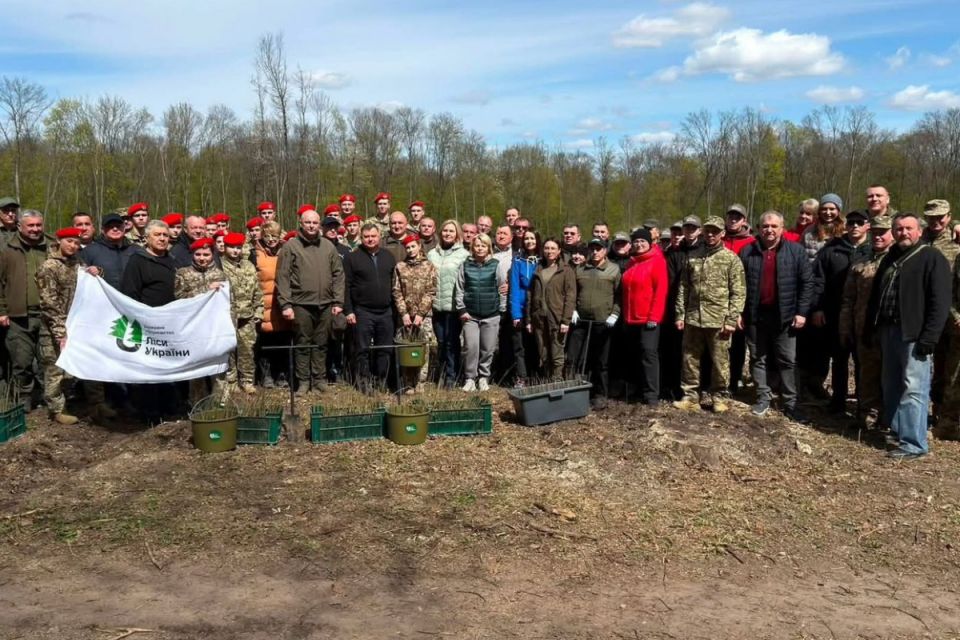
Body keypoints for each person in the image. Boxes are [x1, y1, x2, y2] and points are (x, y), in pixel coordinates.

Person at [867, 212, 950, 460]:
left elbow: (940, 301)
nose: (903, 233)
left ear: (919, 231)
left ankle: (915, 443)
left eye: (908, 228)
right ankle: (898, 431)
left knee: (914, 388)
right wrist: (870, 329)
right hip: (888, 329)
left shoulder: (932, 257)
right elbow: (875, 297)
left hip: (914, 333)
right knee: (890, 384)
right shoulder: (891, 257)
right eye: (899, 228)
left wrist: (930, 337)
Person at [741, 211, 814, 421]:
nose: (769, 230)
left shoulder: (796, 251)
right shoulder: (748, 252)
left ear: (782, 228)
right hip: (756, 315)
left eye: (774, 226)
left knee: (787, 360)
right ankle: (763, 397)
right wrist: (738, 312)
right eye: (765, 226)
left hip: (786, 316)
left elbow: (807, 283)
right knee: (758, 358)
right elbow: (738, 285)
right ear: (758, 228)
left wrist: (801, 312)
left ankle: (790, 402)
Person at [673, 217, 746, 413]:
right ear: (703, 233)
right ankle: (690, 397)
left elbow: (738, 292)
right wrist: (680, 314)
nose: (711, 234)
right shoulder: (693, 257)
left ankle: (719, 397)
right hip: (693, 318)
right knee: (690, 359)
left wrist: (731, 319)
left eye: (715, 231)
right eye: (708, 231)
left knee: (720, 361)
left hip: (719, 320)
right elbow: (684, 288)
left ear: (723, 233)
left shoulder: (731, 259)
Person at [275, 209, 345, 394]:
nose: (312, 226)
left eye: (315, 223)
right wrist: (286, 304)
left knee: (321, 344)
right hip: (301, 304)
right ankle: (303, 381)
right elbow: (282, 277)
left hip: (326, 304)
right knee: (303, 343)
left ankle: (319, 379)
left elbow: (338, 274)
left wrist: (338, 302)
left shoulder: (328, 247)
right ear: (301, 223)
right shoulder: (291, 246)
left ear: (319, 224)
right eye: (308, 223)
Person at [809, 209, 871, 412]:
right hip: (836, 313)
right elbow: (818, 279)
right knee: (839, 358)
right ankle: (838, 401)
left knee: (863, 361)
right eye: (851, 222)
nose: (854, 226)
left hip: (864, 315)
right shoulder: (832, 248)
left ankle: (864, 404)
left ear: (867, 226)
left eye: (859, 222)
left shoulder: (873, 250)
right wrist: (817, 308)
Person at [36, 228, 97, 424]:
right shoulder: (49, 267)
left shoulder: (77, 263)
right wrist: (60, 332)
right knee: (55, 368)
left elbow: (89, 282)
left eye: (76, 243)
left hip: (77, 325)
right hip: (54, 327)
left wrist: (97, 272)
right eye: (69, 241)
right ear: (59, 240)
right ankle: (56, 409)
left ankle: (90, 403)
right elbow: (49, 303)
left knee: (78, 366)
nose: (73, 246)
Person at [121, 220, 179, 424]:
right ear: (147, 237)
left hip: (170, 324)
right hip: (147, 324)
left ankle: (169, 407)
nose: (162, 238)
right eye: (157, 235)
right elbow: (129, 293)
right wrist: (142, 319)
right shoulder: (137, 261)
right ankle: (150, 412)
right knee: (150, 368)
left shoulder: (172, 261)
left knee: (168, 365)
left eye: (165, 235)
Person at [839, 215, 893, 428]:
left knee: (891, 375)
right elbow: (848, 298)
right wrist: (845, 326)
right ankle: (867, 416)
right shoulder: (860, 262)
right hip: (864, 329)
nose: (878, 236)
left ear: (892, 233)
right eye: (875, 232)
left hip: (891, 330)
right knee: (867, 373)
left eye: (883, 232)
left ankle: (890, 417)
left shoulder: (899, 260)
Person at [0, 209, 51, 409]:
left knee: (48, 360)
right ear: (20, 226)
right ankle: (23, 398)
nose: (35, 229)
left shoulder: (52, 246)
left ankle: (50, 397)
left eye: (38, 225)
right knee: (21, 361)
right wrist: (2, 310)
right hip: (18, 316)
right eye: (31, 225)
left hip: (48, 314)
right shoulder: (6, 249)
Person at [919, 199, 960, 420]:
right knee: (921, 367)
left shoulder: (956, 243)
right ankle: (922, 414)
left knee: (948, 370)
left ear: (949, 217)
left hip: (950, 316)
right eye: (931, 217)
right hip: (921, 315)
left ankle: (944, 416)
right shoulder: (919, 239)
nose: (936, 221)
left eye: (940, 217)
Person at [568, 237, 622, 404]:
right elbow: (572, 293)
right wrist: (573, 310)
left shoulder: (613, 269)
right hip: (581, 322)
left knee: (601, 361)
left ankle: (600, 395)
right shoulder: (580, 269)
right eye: (592, 248)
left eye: (598, 248)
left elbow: (619, 295)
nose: (595, 252)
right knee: (574, 357)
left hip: (602, 322)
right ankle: (573, 391)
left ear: (605, 250)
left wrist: (615, 313)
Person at [174, 237, 227, 404]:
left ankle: (221, 403)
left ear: (212, 254)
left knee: (219, 366)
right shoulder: (183, 273)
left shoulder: (220, 274)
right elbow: (179, 297)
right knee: (196, 366)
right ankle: (197, 403)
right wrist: (205, 290)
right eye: (198, 254)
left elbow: (227, 302)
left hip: (215, 327)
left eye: (206, 254)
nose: (202, 258)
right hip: (194, 327)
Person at [344, 224, 396, 392]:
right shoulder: (352, 258)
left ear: (379, 236)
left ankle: (381, 380)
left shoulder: (388, 256)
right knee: (362, 349)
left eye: (373, 236)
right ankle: (363, 382)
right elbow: (346, 285)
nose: (370, 239)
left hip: (386, 311)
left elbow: (395, 284)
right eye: (366, 236)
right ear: (361, 237)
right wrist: (349, 310)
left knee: (385, 348)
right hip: (363, 311)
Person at [456, 233, 507, 391]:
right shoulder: (465, 265)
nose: (480, 248)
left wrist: (502, 310)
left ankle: (483, 377)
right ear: (472, 248)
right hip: (470, 315)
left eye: (483, 245)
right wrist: (462, 309)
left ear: (488, 248)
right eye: (477, 245)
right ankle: (470, 378)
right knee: (470, 347)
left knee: (488, 348)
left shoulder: (495, 265)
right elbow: (459, 289)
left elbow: (502, 289)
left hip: (491, 314)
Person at [392, 235, 437, 393]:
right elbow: (397, 291)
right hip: (405, 316)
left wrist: (420, 313)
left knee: (422, 347)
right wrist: (404, 313)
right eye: (407, 247)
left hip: (423, 316)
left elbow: (431, 291)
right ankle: (408, 382)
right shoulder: (400, 266)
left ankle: (420, 381)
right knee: (406, 347)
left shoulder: (429, 266)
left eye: (413, 246)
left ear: (419, 246)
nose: (410, 250)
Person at [428, 220, 471, 387]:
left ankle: (452, 376)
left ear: (457, 234)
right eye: (445, 230)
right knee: (440, 341)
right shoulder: (432, 254)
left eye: (451, 231)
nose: (447, 234)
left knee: (451, 341)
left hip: (454, 307)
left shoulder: (464, 255)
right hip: (436, 306)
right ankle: (443, 373)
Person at [527, 237, 576, 381]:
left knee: (557, 351)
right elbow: (530, 294)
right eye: (547, 248)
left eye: (553, 248)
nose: (549, 251)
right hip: (539, 317)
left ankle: (557, 380)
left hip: (557, 318)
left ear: (559, 251)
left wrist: (566, 321)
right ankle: (547, 379)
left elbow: (570, 297)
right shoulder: (538, 269)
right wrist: (529, 319)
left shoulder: (566, 271)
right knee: (543, 351)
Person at [221, 232, 263, 394]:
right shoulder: (220, 266)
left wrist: (258, 310)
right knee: (229, 350)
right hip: (228, 316)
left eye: (238, 247)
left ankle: (247, 380)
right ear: (225, 248)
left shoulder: (249, 266)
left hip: (248, 315)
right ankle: (231, 382)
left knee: (247, 349)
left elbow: (257, 290)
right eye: (232, 247)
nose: (235, 251)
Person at [254, 221, 292, 388]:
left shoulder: (287, 251)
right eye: (267, 236)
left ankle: (282, 374)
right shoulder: (254, 253)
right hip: (264, 303)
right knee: (264, 342)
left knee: (282, 340)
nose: (271, 240)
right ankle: (266, 375)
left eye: (274, 236)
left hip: (282, 302)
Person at [509, 230, 542, 387]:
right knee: (520, 346)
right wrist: (515, 313)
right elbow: (514, 288)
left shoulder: (543, 260)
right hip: (521, 309)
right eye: (526, 238)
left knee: (537, 345)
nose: (529, 241)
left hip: (538, 310)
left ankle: (537, 375)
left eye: (532, 238)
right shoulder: (518, 261)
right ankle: (522, 377)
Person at [82, 213, 135, 290]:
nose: (115, 229)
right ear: (103, 230)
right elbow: (81, 277)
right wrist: (89, 271)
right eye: (110, 226)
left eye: (118, 226)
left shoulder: (135, 250)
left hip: (132, 299)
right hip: (102, 299)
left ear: (124, 228)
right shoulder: (90, 251)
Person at [801, 193, 844, 261]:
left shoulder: (846, 230)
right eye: (824, 209)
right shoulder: (809, 231)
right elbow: (801, 255)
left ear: (838, 211)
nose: (827, 212)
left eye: (832, 209)